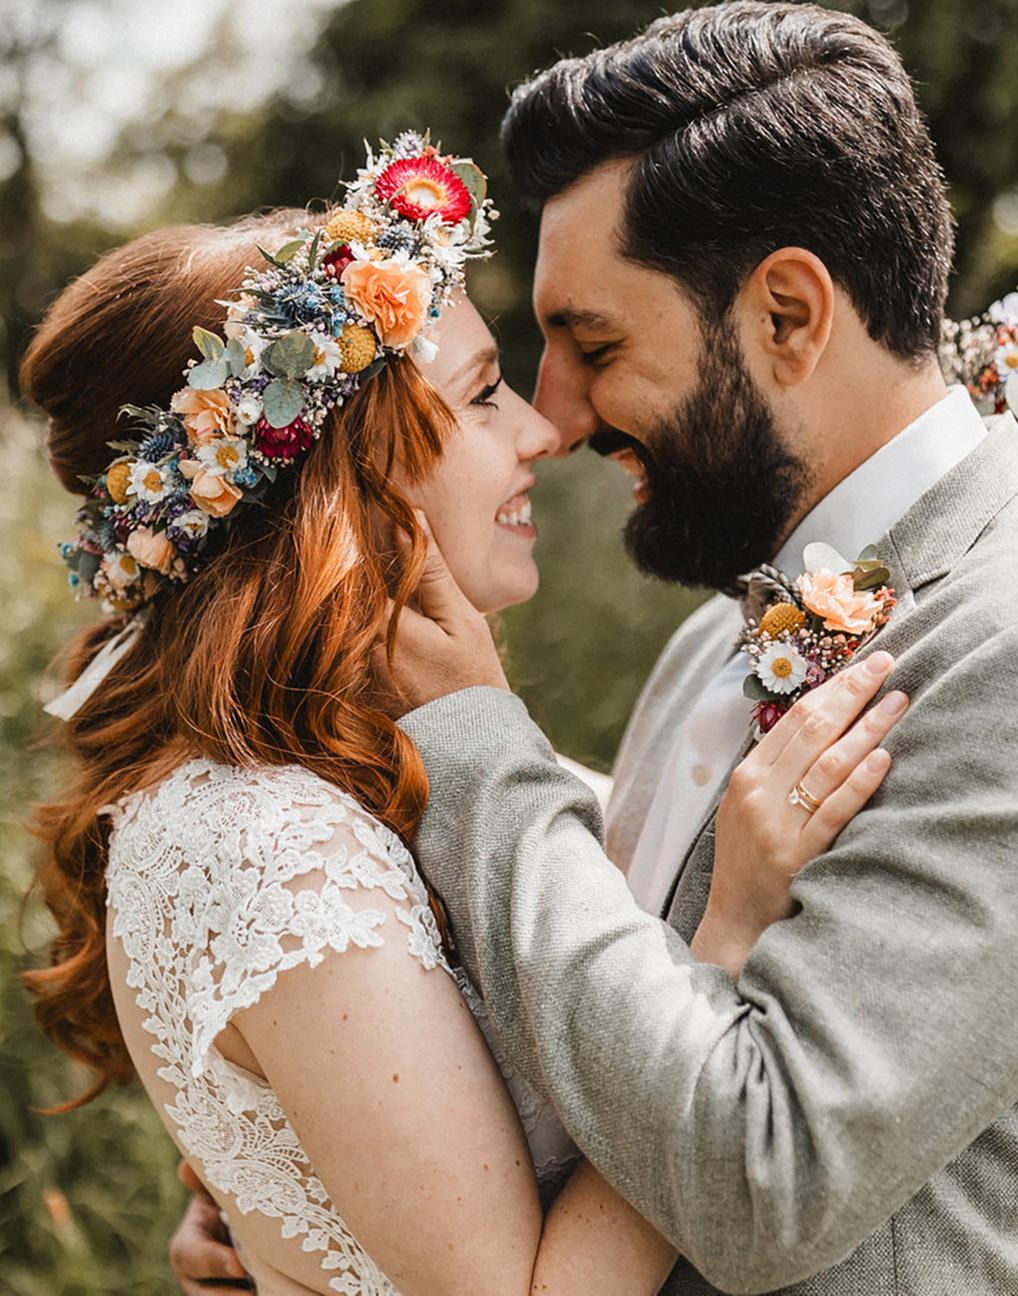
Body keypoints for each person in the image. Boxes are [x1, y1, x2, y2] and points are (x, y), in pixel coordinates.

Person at [350, 5, 1018, 1295]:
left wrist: (481, 755)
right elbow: (621, 1029)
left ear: (787, 311)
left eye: (595, 345)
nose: (552, 417)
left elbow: (754, 1182)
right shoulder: (706, 646)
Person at [23, 134, 902, 1294]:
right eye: (483, 395)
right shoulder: (271, 846)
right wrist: (725, 937)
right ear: (342, 472)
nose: (540, 431)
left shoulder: (355, 774)